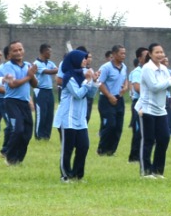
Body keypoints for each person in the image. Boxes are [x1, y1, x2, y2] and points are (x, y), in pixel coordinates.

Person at [56, 48, 99, 182]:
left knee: (83, 146)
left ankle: (77, 175)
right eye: (83, 58)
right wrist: (87, 81)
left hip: (80, 118)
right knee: (67, 148)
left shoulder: (82, 75)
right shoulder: (68, 76)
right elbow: (78, 94)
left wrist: (94, 81)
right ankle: (65, 175)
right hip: (67, 118)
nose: (86, 61)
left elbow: (90, 95)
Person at [135, 43, 171, 178]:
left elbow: (168, 89)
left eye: (162, 52)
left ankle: (158, 171)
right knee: (148, 140)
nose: (160, 55)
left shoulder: (164, 68)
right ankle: (146, 172)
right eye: (157, 52)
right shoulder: (147, 68)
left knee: (164, 138)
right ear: (150, 54)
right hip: (147, 108)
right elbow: (154, 87)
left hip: (161, 109)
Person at [0, 41, 37, 165]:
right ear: (9, 53)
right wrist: (28, 76)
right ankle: (9, 156)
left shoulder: (27, 65)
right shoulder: (8, 66)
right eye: (15, 50)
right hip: (12, 102)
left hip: (25, 102)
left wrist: (32, 75)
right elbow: (13, 84)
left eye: (20, 49)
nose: (18, 52)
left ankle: (18, 159)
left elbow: (35, 84)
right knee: (18, 129)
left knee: (27, 132)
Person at [96, 45, 129, 156]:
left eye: (124, 53)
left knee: (118, 126)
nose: (123, 55)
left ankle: (111, 151)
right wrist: (109, 96)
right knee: (110, 125)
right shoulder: (106, 67)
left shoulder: (124, 67)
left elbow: (125, 79)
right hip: (106, 100)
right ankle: (102, 150)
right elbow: (99, 83)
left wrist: (125, 86)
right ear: (114, 54)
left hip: (119, 99)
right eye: (121, 53)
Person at [126, 47, 148, 163]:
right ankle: (134, 157)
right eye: (146, 55)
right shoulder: (137, 72)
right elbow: (137, 88)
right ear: (139, 58)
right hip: (140, 104)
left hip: (150, 103)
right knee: (138, 132)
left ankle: (143, 155)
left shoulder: (150, 70)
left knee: (148, 132)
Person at [33, 44, 57, 141]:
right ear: (43, 52)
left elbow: (55, 69)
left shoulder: (50, 62)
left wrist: (56, 69)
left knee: (49, 114)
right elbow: (49, 71)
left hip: (49, 91)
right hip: (40, 91)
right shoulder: (36, 64)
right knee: (41, 114)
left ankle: (46, 136)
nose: (50, 53)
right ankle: (39, 135)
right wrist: (57, 69)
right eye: (48, 52)